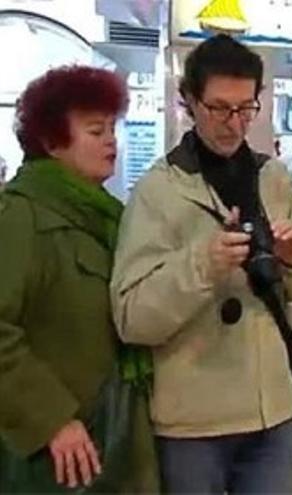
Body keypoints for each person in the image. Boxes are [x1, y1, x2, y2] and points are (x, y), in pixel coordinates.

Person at [110, 35, 292, 493]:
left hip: (272, 410)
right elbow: (131, 317)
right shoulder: (159, 190)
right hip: (194, 424)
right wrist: (203, 265)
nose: (234, 124)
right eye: (218, 108)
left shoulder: (273, 177)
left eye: (245, 108)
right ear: (190, 103)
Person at [0, 67, 157, 492]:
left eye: (111, 128)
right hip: (57, 451)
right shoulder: (21, 215)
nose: (111, 141)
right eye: (94, 130)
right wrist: (50, 417)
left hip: (118, 431)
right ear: (52, 142)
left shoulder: (107, 216)